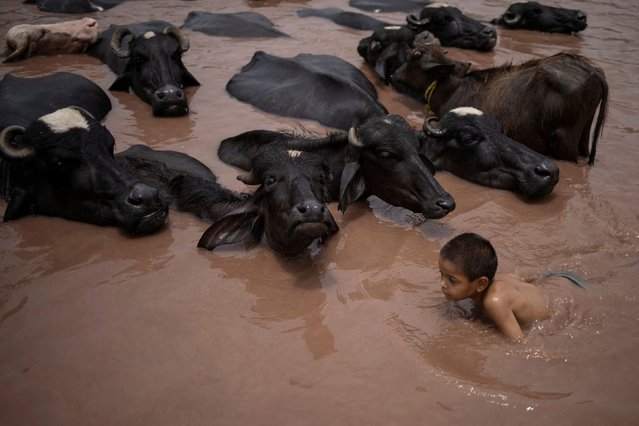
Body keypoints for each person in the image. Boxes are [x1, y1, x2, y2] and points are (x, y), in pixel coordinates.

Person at [438, 232, 588, 342]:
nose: (443, 284)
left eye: (452, 280)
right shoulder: (499, 278)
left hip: (569, 299)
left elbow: (518, 343)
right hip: (559, 278)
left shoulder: (495, 302)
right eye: (441, 274)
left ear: (480, 284)